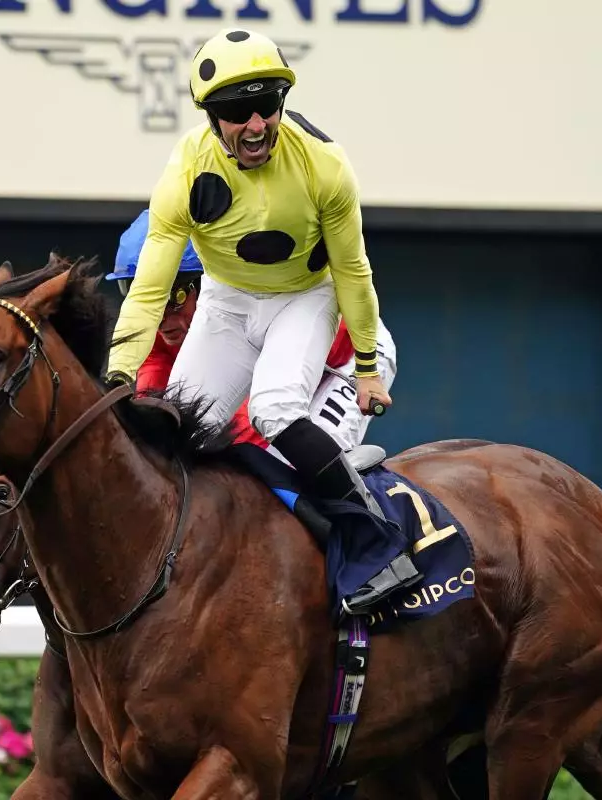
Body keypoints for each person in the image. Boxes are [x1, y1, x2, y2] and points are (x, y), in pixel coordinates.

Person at [104, 28, 421, 614]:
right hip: (230, 299)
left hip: (318, 308)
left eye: (266, 107)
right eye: (233, 111)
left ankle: (376, 545)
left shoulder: (324, 166)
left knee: (276, 413)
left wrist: (371, 370)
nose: (254, 126)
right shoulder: (182, 172)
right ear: (209, 117)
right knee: (178, 426)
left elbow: (354, 273)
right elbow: (149, 287)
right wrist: (116, 377)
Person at [106, 209, 399, 458]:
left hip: (350, 359)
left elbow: (249, 432)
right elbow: (157, 408)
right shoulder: (155, 334)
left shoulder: (235, 316)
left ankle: (365, 518)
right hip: (284, 370)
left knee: (288, 457)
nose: (160, 318)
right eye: (149, 300)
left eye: (174, 297)